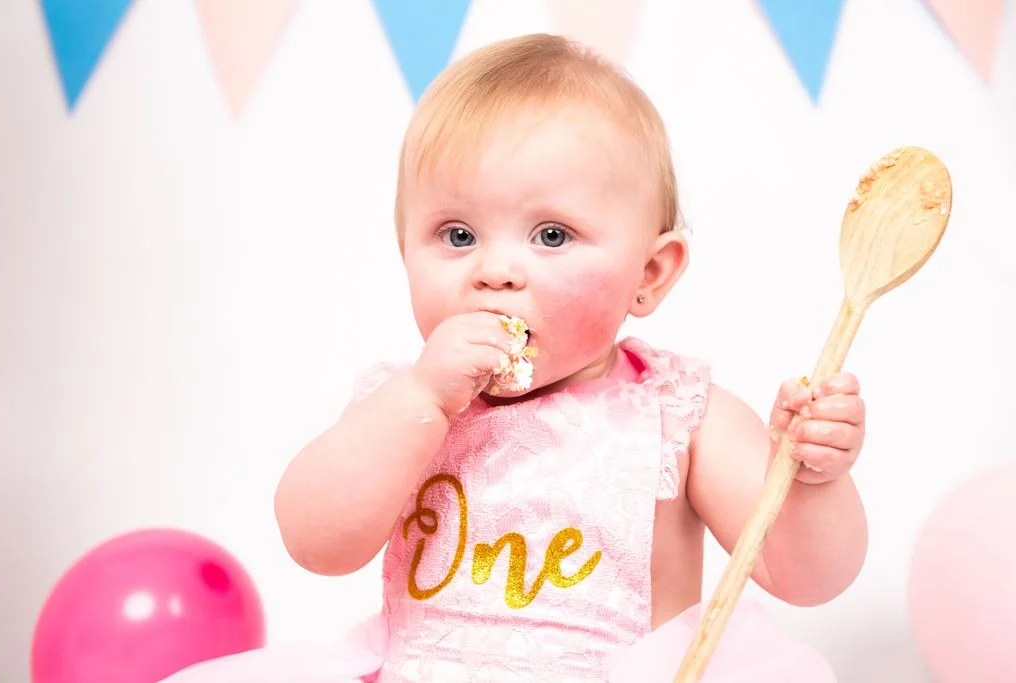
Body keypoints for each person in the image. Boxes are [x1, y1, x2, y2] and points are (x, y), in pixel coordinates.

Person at [161, 33, 867, 683]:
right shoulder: (401, 404)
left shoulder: (677, 409)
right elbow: (315, 541)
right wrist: (419, 401)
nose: (496, 269)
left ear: (648, 275)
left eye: (552, 235)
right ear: (404, 250)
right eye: (458, 234)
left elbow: (801, 574)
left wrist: (811, 480)